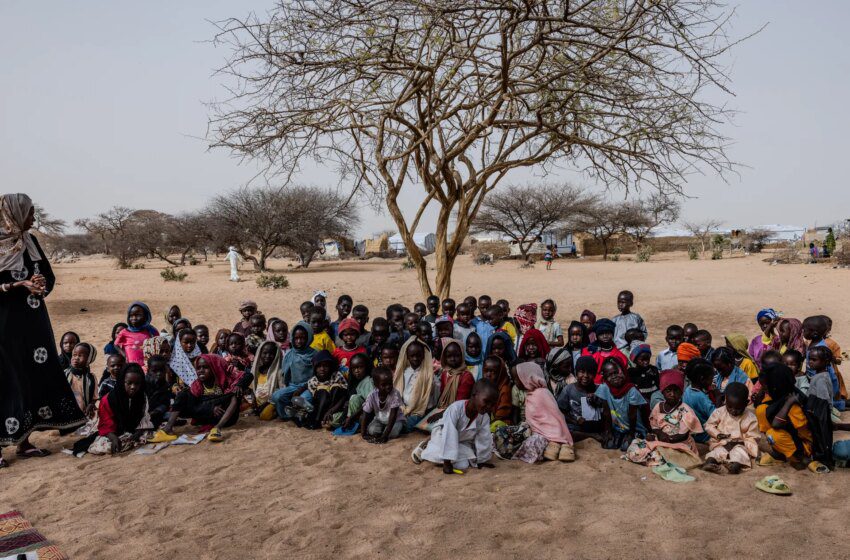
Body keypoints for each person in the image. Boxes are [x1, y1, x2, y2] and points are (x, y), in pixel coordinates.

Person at [0, 193, 87, 466]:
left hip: (33, 323)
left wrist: (40, 285)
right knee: (5, 380)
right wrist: (17, 285)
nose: (34, 217)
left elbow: (48, 275)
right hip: (3, 325)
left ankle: (24, 442)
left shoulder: (30, 242)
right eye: (30, 213)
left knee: (30, 377)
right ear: (15, 214)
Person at [153, 354, 251, 443]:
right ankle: (168, 428)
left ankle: (217, 429)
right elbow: (193, 406)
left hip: (224, 416)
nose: (201, 370)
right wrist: (210, 408)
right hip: (205, 414)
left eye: (205, 367)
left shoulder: (226, 379)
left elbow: (249, 375)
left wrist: (240, 385)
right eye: (198, 368)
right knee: (183, 394)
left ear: (214, 368)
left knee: (235, 395)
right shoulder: (197, 385)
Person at [412, 380, 498, 473]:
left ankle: (449, 455)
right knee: (439, 457)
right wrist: (447, 462)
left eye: (492, 404)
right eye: (486, 401)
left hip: (461, 441)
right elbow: (449, 433)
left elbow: (483, 438)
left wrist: (482, 460)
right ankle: (426, 447)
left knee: (463, 464)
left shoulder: (484, 417)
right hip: (442, 437)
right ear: (474, 395)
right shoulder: (456, 409)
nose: (489, 407)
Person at [625, 369, 703, 467]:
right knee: (635, 446)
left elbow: (682, 435)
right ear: (662, 392)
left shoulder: (686, 411)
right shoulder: (658, 406)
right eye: (668, 390)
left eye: (676, 390)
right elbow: (654, 426)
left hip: (678, 443)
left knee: (661, 455)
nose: (672, 394)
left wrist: (663, 440)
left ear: (681, 392)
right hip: (662, 440)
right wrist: (658, 434)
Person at [81, 364, 154, 455]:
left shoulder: (142, 397)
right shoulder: (108, 400)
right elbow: (106, 423)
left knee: (150, 435)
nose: (133, 387)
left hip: (133, 429)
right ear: (121, 381)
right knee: (104, 446)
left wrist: (138, 432)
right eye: (129, 383)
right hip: (113, 430)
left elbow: (144, 417)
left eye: (137, 383)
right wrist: (113, 437)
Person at [755, 363, 815, 470]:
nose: (763, 389)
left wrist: (788, 404)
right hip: (790, 435)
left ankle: (798, 457)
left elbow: (776, 424)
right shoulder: (779, 395)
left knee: (773, 435)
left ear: (775, 386)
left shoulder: (794, 403)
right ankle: (779, 453)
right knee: (761, 410)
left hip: (804, 444)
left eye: (765, 386)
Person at [512, 363, 576, 462]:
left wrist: (558, 436)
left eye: (517, 378)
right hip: (534, 431)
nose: (515, 382)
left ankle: (556, 446)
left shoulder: (542, 393)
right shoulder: (530, 394)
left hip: (548, 435)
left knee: (532, 444)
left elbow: (556, 417)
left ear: (527, 377)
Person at [702, 382, 760, 474]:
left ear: (746, 403)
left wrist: (742, 442)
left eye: (738, 408)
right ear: (725, 400)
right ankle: (709, 463)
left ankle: (734, 466)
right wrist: (717, 434)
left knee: (740, 455)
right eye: (729, 406)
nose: (733, 410)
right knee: (716, 453)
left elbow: (754, 437)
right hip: (721, 442)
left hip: (740, 445)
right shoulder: (719, 412)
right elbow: (709, 425)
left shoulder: (751, 418)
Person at [595, 357, 648, 451]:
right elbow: (606, 413)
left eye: (616, 372)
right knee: (609, 445)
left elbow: (632, 416)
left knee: (626, 448)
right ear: (605, 378)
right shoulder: (604, 388)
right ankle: (620, 434)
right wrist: (608, 431)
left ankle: (632, 434)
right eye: (610, 375)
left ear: (623, 371)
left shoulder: (631, 390)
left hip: (634, 427)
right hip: (618, 427)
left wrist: (631, 434)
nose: (614, 376)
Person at [270, 321, 317, 420]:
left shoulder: (314, 355)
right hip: (293, 386)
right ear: (292, 338)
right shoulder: (289, 354)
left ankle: (302, 413)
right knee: (276, 396)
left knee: (304, 399)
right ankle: (288, 415)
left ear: (309, 337)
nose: (299, 341)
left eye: (302, 338)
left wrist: (302, 388)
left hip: (309, 386)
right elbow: (285, 375)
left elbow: (317, 376)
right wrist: (289, 389)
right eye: (296, 338)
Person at [557, 356, 605, 442]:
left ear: (594, 374)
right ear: (576, 373)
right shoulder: (568, 389)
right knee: (565, 431)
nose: (585, 376)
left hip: (596, 425)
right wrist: (575, 420)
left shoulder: (600, 389)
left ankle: (592, 434)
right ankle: (591, 436)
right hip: (577, 426)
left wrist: (597, 400)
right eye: (582, 372)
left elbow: (607, 410)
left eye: (589, 372)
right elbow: (560, 411)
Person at [393, 338, 435, 432]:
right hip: (402, 407)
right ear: (407, 356)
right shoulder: (404, 372)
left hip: (418, 411)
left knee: (408, 425)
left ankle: (398, 427)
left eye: (418, 355)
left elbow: (429, 399)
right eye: (412, 356)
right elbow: (398, 391)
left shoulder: (428, 375)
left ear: (423, 356)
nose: (415, 358)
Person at [360, 367, 405, 443]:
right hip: (380, 420)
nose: (388, 387)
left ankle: (391, 429)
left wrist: (385, 436)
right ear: (376, 385)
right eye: (383, 385)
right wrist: (363, 434)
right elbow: (365, 414)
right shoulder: (372, 395)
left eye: (390, 383)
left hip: (395, 420)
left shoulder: (395, 394)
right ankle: (384, 429)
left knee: (392, 433)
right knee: (372, 431)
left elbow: (393, 416)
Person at [581, 318, 628, 383]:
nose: (605, 336)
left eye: (608, 333)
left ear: (613, 334)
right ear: (597, 336)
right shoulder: (587, 352)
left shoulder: (620, 357)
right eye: (601, 333)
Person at [114, 302, 160, 367]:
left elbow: (158, 344)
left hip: (147, 366)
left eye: (138, 315)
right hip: (130, 366)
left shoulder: (151, 331)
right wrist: (124, 355)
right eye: (131, 316)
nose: (134, 318)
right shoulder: (125, 332)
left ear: (145, 316)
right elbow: (116, 344)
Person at [682, 359, 716, 443]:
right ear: (702, 379)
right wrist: (718, 397)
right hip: (704, 435)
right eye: (711, 377)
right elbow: (716, 416)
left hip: (693, 432)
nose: (712, 380)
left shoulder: (688, 390)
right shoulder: (701, 397)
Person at [249, 341, 283, 420]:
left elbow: (281, 392)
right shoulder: (255, 371)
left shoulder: (279, 372)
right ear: (259, 354)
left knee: (265, 416)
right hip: (258, 401)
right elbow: (252, 388)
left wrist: (266, 404)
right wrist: (254, 403)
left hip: (272, 402)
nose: (267, 356)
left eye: (271, 354)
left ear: (276, 355)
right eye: (265, 353)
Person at [339, 353, 374, 431]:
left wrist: (351, 418)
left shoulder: (368, 381)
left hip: (367, 414)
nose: (357, 371)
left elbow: (370, 404)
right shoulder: (355, 381)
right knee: (334, 419)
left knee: (355, 398)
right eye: (353, 368)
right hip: (355, 413)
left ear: (367, 367)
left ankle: (355, 425)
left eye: (360, 367)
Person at [65, 342, 98, 419]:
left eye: (80, 356)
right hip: (67, 411)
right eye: (74, 355)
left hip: (84, 412)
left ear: (89, 359)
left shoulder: (91, 378)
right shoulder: (65, 374)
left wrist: (91, 404)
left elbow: (94, 397)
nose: (76, 358)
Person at [481, 356, 512, 427]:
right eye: (486, 370)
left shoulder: (504, 389)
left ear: (500, 373)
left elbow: (502, 413)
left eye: (493, 372)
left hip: (500, 422)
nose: (488, 375)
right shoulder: (484, 386)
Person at [144, 355, 172, 428]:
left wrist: (156, 411)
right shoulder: (142, 384)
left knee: (172, 416)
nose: (159, 374)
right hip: (141, 413)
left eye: (161, 370)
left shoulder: (165, 385)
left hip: (156, 413)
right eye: (154, 371)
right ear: (148, 370)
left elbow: (165, 403)